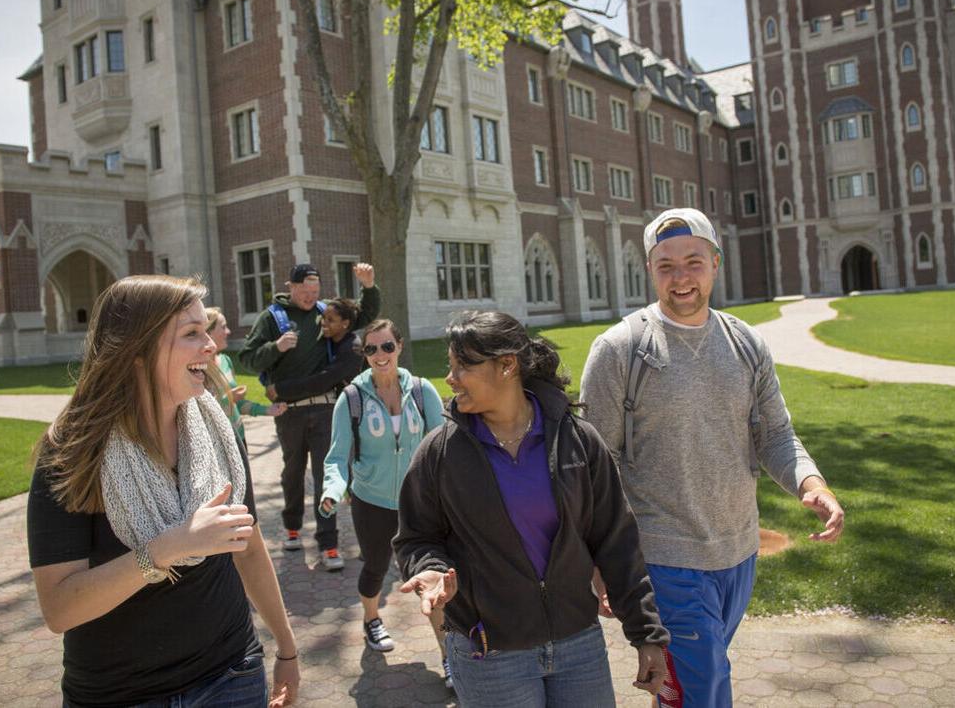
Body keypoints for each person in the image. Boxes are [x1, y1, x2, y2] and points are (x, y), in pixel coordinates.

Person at [579, 207, 846, 707]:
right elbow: (596, 465)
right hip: (664, 560)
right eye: (666, 265)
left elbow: (775, 434)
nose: (680, 278)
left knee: (683, 691)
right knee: (705, 691)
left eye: (693, 262)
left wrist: (814, 485)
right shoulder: (620, 349)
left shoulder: (746, 343)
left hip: (738, 553)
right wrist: (602, 561)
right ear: (650, 269)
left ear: (716, 263)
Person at [26, 275, 299, 707]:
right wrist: (166, 549)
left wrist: (287, 647)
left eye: (206, 331)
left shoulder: (217, 431)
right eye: (191, 334)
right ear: (136, 350)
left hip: (232, 676)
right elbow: (59, 607)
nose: (210, 346)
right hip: (122, 694)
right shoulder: (72, 454)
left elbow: (247, 546)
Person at [394, 310, 670, 707]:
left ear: (507, 365)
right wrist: (430, 570)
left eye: (462, 367)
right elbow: (416, 537)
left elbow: (617, 542)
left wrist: (646, 635)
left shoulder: (578, 441)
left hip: (579, 646)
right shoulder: (440, 453)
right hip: (489, 654)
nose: (450, 380)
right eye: (449, 367)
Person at [315, 319, 452, 684]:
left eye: (387, 347)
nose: (380, 355)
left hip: (419, 502)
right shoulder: (352, 398)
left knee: (433, 572)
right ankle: (371, 620)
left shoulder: (423, 392)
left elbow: (443, 448)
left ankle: (448, 654)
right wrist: (332, 490)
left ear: (399, 347)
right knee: (375, 565)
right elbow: (336, 456)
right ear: (364, 354)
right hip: (371, 500)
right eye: (371, 349)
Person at [239, 262, 379, 571]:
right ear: (291, 286)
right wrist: (276, 347)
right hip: (290, 413)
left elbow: (362, 317)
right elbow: (248, 358)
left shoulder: (322, 314)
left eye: (315, 291)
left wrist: (369, 287)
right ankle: (291, 527)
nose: (310, 297)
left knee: (325, 476)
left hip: (325, 409)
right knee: (292, 472)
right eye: (305, 291)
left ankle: (328, 544)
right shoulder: (272, 318)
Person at [205, 306, 283, 444]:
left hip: (238, 437)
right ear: (208, 333)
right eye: (223, 327)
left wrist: (267, 410)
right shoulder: (198, 369)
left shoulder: (225, 361)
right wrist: (226, 399)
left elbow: (237, 404)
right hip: (216, 441)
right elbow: (198, 410)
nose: (228, 332)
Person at [265, 297, 363, 404]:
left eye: (330, 320)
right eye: (323, 317)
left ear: (345, 323)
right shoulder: (332, 342)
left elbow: (323, 381)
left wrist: (280, 389)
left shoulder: (353, 348)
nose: (323, 323)